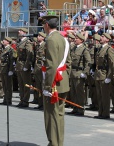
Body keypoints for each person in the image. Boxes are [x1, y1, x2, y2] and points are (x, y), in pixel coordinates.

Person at [41, 15, 71, 146]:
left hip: (53, 83)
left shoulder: (51, 40)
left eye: (43, 24)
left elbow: (51, 65)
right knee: (59, 115)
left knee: (51, 116)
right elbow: (68, 62)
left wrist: (47, 86)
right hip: (62, 81)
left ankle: (53, 143)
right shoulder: (63, 39)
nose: (43, 27)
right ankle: (59, 142)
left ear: (47, 25)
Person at [67, 33, 91, 116]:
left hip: (79, 72)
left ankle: (80, 109)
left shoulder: (84, 49)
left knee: (79, 92)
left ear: (81, 40)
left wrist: (85, 73)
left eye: (77, 38)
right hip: (72, 72)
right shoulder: (73, 48)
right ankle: (75, 108)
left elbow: (88, 62)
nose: (75, 39)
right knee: (73, 92)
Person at [94, 33, 114, 119]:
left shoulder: (108, 49)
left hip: (104, 74)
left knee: (105, 96)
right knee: (99, 95)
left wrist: (109, 77)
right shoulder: (100, 49)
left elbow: (112, 64)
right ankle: (100, 112)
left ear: (107, 39)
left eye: (103, 37)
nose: (101, 38)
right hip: (98, 74)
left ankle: (105, 113)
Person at [16, 28, 33, 108]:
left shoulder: (27, 42)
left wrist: (27, 66)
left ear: (25, 32)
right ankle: (22, 99)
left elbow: (29, 55)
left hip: (24, 65)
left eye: (21, 31)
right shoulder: (20, 41)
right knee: (21, 84)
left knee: (26, 84)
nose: (19, 32)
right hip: (19, 65)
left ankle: (25, 101)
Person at [0, 37, 16, 105]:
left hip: (7, 69)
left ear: (8, 42)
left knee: (8, 86)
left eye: (5, 40)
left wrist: (11, 70)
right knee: (4, 85)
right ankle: (5, 99)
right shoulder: (4, 49)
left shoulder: (10, 49)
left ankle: (9, 100)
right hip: (3, 69)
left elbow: (12, 60)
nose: (3, 41)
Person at [33, 32, 46, 110]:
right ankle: (40, 103)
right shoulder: (38, 45)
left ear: (43, 38)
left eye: (40, 36)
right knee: (38, 86)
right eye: (38, 36)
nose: (38, 37)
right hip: (37, 67)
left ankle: (43, 104)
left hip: (42, 67)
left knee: (42, 85)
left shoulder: (45, 45)